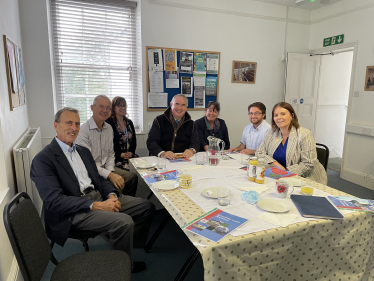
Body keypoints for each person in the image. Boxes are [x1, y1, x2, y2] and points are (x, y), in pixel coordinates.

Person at [30, 107, 155, 273]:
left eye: (77, 124)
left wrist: (111, 195)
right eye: (68, 123)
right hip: (73, 212)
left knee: (146, 206)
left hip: (98, 197)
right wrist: (97, 206)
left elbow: (98, 180)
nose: (74, 128)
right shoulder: (43, 160)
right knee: (124, 222)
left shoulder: (82, 151)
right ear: (56, 125)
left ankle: (125, 249)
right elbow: (54, 202)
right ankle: (122, 267)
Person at [76, 95, 138, 197]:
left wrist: (110, 171)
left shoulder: (108, 128)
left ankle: (125, 203)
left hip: (107, 166)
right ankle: (116, 205)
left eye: (107, 108)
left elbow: (110, 153)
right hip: (91, 171)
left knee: (132, 177)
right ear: (92, 108)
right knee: (116, 183)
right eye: (101, 106)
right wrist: (109, 175)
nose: (105, 110)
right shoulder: (83, 130)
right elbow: (87, 163)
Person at [256, 102, 327, 185]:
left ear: (292, 116)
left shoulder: (304, 134)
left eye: (283, 114)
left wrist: (285, 172)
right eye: (276, 115)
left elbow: (308, 164)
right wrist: (276, 165)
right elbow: (259, 152)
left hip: (305, 179)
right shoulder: (270, 133)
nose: (279, 117)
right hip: (278, 175)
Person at [147, 94, 200, 159]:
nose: (179, 108)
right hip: (161, 159)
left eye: (183, 105)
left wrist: (192, 150)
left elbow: (196, 143)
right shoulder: (158, 120)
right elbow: (151, 142)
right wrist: (162, 153)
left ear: (186, 107)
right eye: (177, 104)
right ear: (171, 105)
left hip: (182, 159)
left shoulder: (192, 124)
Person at [106, 96, 137, 171]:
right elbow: (108, 143)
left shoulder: (129, 122)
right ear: (113, 108)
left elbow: (134, 141)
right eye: (119, 105)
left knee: (143, 169)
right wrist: (119, 154)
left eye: (124, 105)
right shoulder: (109, 122)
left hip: (130, 156)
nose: (122, 108)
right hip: (116, 158)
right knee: (130, 173)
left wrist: (131, 152)